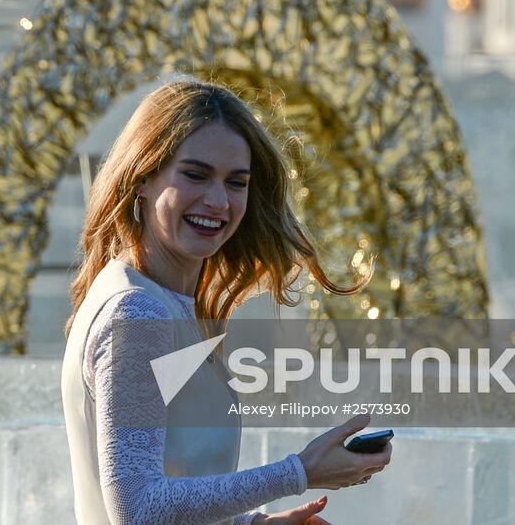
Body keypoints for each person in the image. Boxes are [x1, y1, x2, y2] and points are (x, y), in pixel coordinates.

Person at [61, 78, 392, 524]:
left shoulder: (167, 304)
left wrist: (256, 523)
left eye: (236, 182)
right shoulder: (135, 310)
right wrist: (300, 471)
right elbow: (138, 509)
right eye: (195, 175)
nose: (218, 201)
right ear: (142, 177)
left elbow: (177, 484)